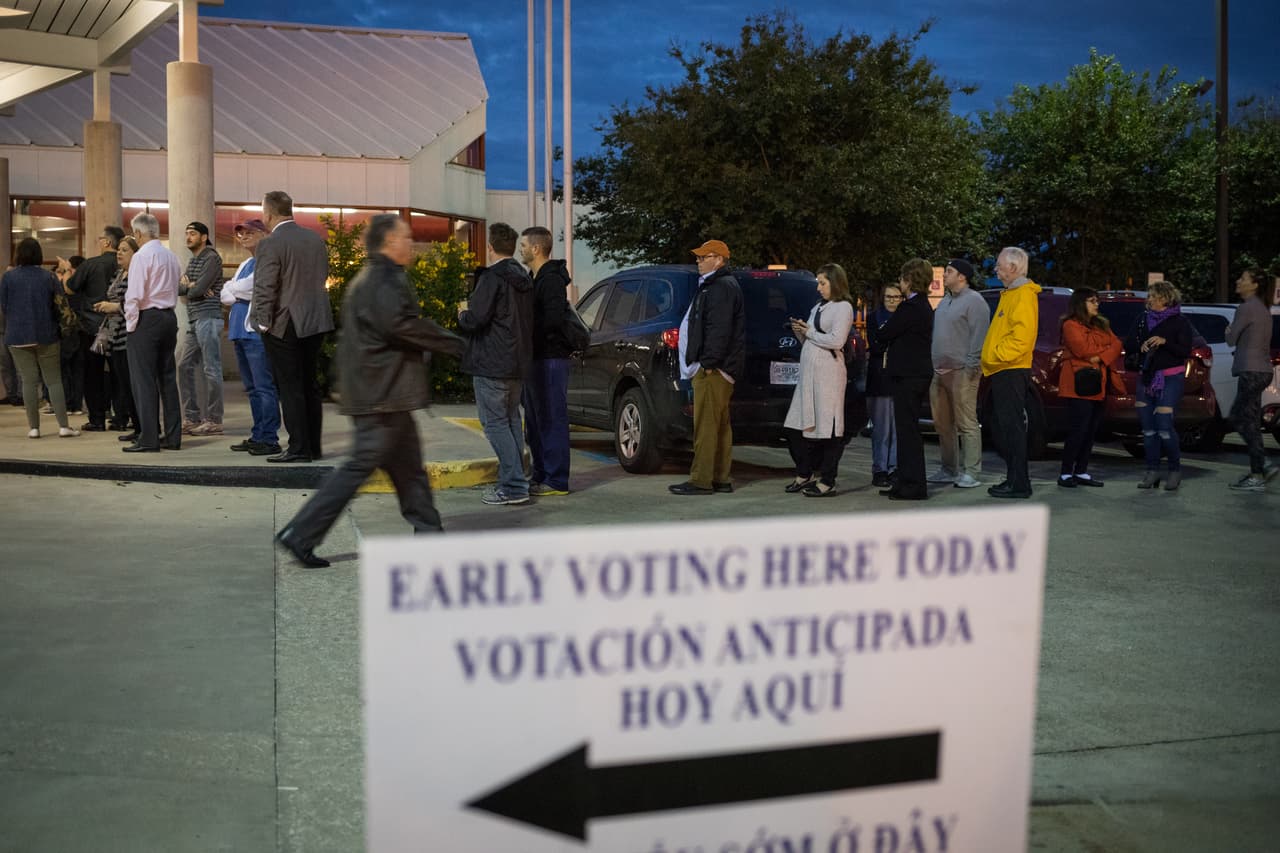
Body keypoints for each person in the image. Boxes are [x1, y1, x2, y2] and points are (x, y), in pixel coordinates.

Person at [276, 215, 465, 568]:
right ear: (389, 241)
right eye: (406, 238)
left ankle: (430, 536)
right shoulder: (383, 279)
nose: (411, 245)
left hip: (384, 393)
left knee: (409, 471)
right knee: (357, 469)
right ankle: (300, 534)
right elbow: (401, 325)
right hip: (382, 395)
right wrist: (457, 345)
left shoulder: (375, 277)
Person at [252, 190, 334, 463]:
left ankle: (298, 449)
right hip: (316, 320)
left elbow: (265, 287)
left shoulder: (270, 243)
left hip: (284, 323)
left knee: (290, 387)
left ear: (269, 214)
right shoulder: (315, 239)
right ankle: (313, 447)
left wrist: (261, 324)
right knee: (309, 384)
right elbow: (323, 275)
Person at [458, 222, 535, 506]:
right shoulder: (524, 279)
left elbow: (477, 320)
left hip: (492, 362)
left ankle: (513, 485)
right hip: (517, 362)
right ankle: (517, 479)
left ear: (490, 248)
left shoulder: (491, 278)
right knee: (511, 419)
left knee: (494, 424)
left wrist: (463, 314)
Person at [669, 239, 745, 496]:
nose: (699, 261)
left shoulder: (720, 287)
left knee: (706, 426)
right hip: (720, 368)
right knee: (720, 426)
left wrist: (709, 364)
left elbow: (719, 329)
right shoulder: (718, 285)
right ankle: (720, 477)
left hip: (714, 369)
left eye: (704, 257)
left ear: (720, 259)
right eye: (699, 257)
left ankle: (701, 480)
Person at [783, 263, 854, 496]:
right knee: (796, 426)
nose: (819, 288)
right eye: (818, 283)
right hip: (809, 376)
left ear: (835, 283)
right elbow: (812, 342)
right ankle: (804, 473)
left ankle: (828, 479)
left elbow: (836, 341)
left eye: (823, 283)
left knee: (829, 428)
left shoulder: (843, 308)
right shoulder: (818, 308)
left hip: (828, 376)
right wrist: (800, 331)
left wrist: (810, 332)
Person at [0, 238, 80, 438]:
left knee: (28, 381)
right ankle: (63, 426)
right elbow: (60, 305)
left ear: (18, 255)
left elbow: (4, 306)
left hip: (17, 335)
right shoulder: (49, 277)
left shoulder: (8, 278)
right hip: (46, 334)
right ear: (39, 255)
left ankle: (34, 428)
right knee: (53, 381)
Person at [981, 247, 1041, 499]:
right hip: (1004, 369)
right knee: (1007, 428)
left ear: (1014, 268)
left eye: (999, 265)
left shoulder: (1023, 296)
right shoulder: (1013, 294)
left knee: (1012, 428)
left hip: (1010, 370)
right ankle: (1015, 480)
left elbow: (1022, 339)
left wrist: (994, 355)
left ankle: (1019, 483)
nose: (996, 269)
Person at [518, 225, 573, 496]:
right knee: (536, 420)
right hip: (535, 358)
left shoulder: (550, 280)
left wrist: (528, 333)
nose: (521, 249)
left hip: (550, 358)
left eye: (524, 245)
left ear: (536, 248)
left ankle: (556, 480)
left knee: (551, 418)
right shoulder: (534, 277)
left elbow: (552, 320)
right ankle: (541, 475)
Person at [122, 212, 183, 453]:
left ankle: (149, 438)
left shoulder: (141, 256)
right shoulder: (170, 256)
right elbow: (177, 285)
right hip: (169, 316)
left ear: (137, 233)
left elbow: (134, 295)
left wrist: (131, 325)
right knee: (167, 379)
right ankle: (173, 437)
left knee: (143, 380)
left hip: (147, 319)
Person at [875, 258, 935, 501]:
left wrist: (882, 332)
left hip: (909, 375)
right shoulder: (922, 306)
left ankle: (913, 484)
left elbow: (885, 333)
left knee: (908, 431)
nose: (900, 283)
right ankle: (903, 480)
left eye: (902, 278)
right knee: (906, 429)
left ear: (910, 280)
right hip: (914, 374)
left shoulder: (911, 308)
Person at [221, 219, 281, 455]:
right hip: (238, 331)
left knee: (264, 387)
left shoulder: (268, 261)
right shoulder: (246, 262)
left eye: (249, 232)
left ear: (264, 234)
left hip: (255, 333)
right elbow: (226, 294)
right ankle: (258, 434)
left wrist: (234, 290)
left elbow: (247, 288)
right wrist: (236, 290)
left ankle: (269, 438)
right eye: (240, 234)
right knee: (252, 389)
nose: (244, 237)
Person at [927, 258, 989, 489]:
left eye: (949, 272)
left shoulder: (975, 301)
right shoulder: (944, 302)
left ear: (962, 276)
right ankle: (949, 469)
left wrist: (973, 367)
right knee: (943, 424)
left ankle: (972, 472)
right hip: (939, 371)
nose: (944, 275)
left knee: (967, 423)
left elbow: (979, 336)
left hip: (963, 371)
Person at [1127, 280, 1194, 490]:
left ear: (1164, 298)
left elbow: (1185, 351)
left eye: (1152, 297)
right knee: (1148, 430)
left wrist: (1165, 342)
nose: (1148, 300)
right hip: (1146, 377)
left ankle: (1174, 470)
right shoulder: (1142, 319)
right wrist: (1141, 345)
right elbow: (1128, 344)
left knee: (1164, 426)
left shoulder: (1180, 322)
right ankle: (1152, 471)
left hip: (1170, 378)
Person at [1056, 288, 1122, 488]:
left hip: (1098, 383)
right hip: (1079, 383)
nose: (1096, 304)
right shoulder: (1070, 325)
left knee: (1091, 430)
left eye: (1097, 300)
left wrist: (1100, 357)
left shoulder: (1101, 324)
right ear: (1080, 303)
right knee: (1078, 429)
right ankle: (1066, 472)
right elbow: (1083, 350)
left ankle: (1082, 471)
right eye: (1092, 301)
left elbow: (1117, 344)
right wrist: (1103, 352)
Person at [64, 225, 123, 431]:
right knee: (119, 373)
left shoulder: (91, 264)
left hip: (92, 327)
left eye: (100, 238)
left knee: (93, 374)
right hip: (119, 327)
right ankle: (121, 419)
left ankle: (97, 419)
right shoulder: (125, 264)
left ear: (107, 242)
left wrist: (66, 272)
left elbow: (69, 288)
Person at [1224, 269, 1278, 492]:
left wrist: (1228, 330)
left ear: (1254, 285)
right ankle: (1259, 468)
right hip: (1263, 371)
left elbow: (1230, 339)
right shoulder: (1263, 308)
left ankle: (1260, 467)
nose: (1238, 280)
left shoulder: (1246, 308)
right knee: (1251, 420)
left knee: (1238, 417)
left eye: (1243, 278)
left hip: (1251, 371)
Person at [176, 221, 225, 436]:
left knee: (211, 369)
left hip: (208, 318)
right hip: (195, 320)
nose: (188, 237)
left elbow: (200, 289)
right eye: (186, 233)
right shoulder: (194, 260)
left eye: (193, 233)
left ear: (204, 237)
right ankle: (192, 416)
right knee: (183, 366)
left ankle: (214, 420)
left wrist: (192, 287)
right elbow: (178, 288)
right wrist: (189, 287)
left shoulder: (211, 257)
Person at [93, 236, 139, 438]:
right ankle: (132, 424)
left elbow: (136, 303)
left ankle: (140, 426)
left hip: (129, 334)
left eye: (125, 250)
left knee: (130, 383)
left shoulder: (136, 275)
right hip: (114, 333)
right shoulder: (119, 273)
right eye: (119, 249)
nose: (119, 253)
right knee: (121, 382)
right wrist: (105, 305)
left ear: (135, 254)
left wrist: (114, 307)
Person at [865, 283, 901, 487]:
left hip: (897, 378)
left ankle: (894, 467)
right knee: (881, 429)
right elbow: (876, 345)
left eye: (896, 297)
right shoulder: (873, 318)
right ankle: (880, 469)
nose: (892, 301)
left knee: (896, 429)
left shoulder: (903, 318)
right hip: (879, 379)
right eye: (889, 297)